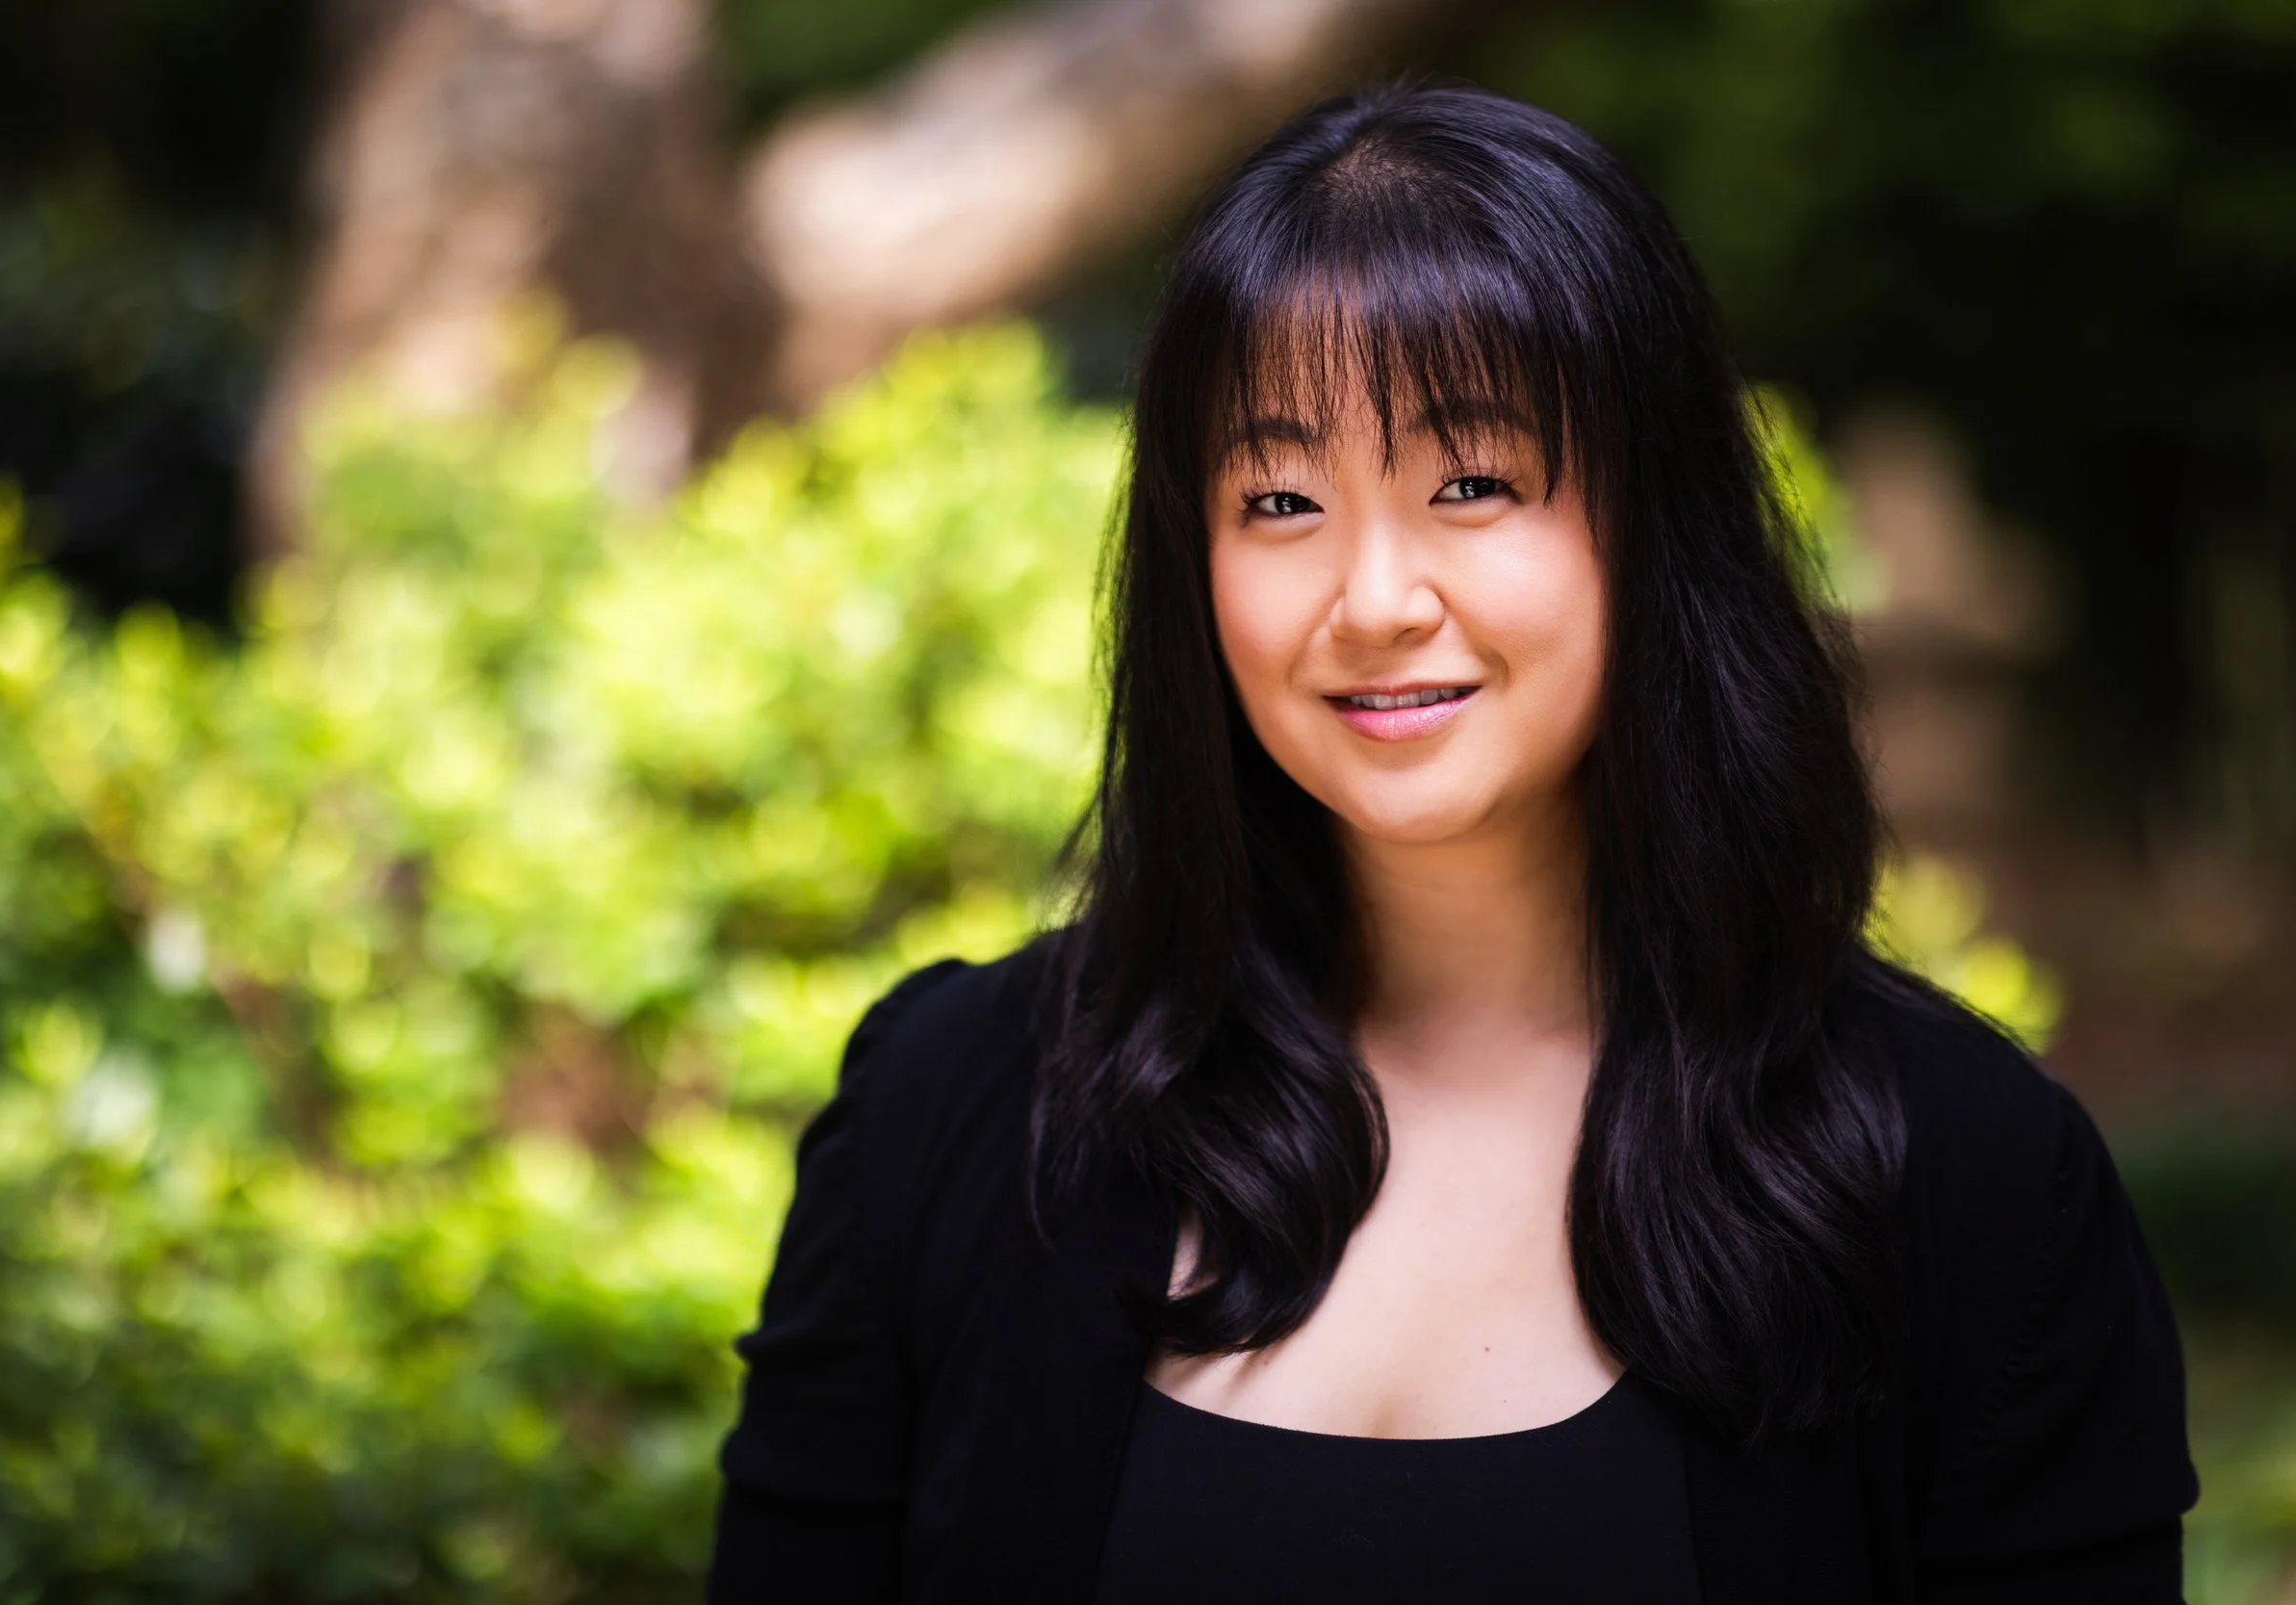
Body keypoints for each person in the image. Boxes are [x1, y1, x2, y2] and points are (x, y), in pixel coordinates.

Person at [707, 85, 2196, 1603]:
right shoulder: (953, 1106)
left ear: (1653, 519)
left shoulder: (1962, 1173)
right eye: (1278, 498)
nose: (1370, 597)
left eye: (1469, 483)